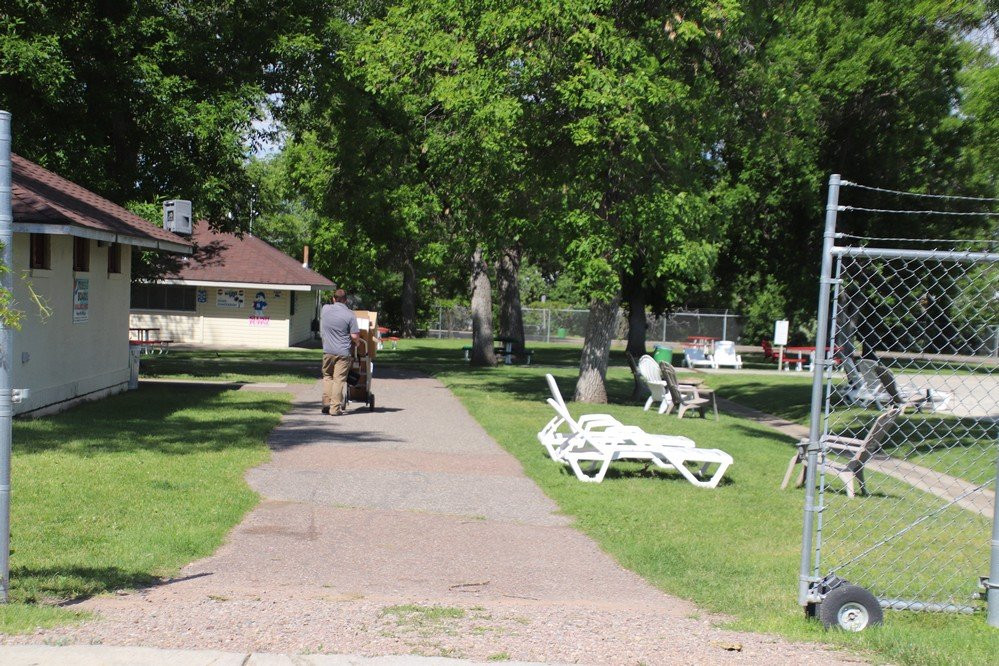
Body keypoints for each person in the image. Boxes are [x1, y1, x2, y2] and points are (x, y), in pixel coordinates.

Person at [320, 288, 359, 415]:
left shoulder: (325, 309)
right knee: (338, 380)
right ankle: (335, 408)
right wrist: (358, 343)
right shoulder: (350, 315)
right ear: (346, 300)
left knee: (327, 377)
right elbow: (354, 336)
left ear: (333, 299)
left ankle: (326, 403)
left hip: (327, 351)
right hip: (343, 353)